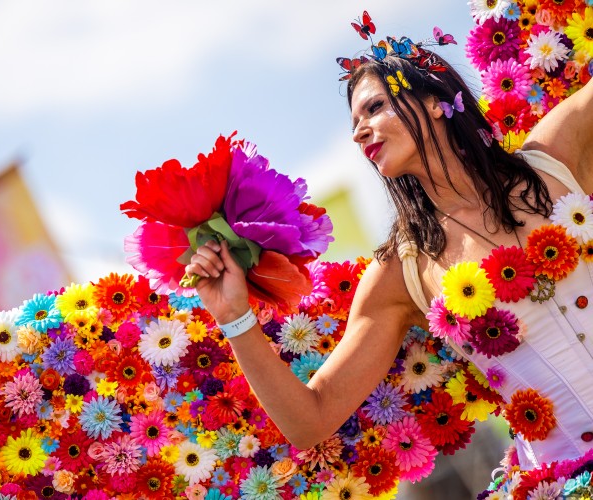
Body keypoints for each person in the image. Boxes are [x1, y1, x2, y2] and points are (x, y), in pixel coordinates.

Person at [185, 45, 593, 491]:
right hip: (566, 483)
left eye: (374, 107)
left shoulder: (555, 158)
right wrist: (234, 318)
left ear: (436, 102)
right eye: (354, 124)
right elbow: (311, 419)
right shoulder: (402, 271)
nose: (360, 133)